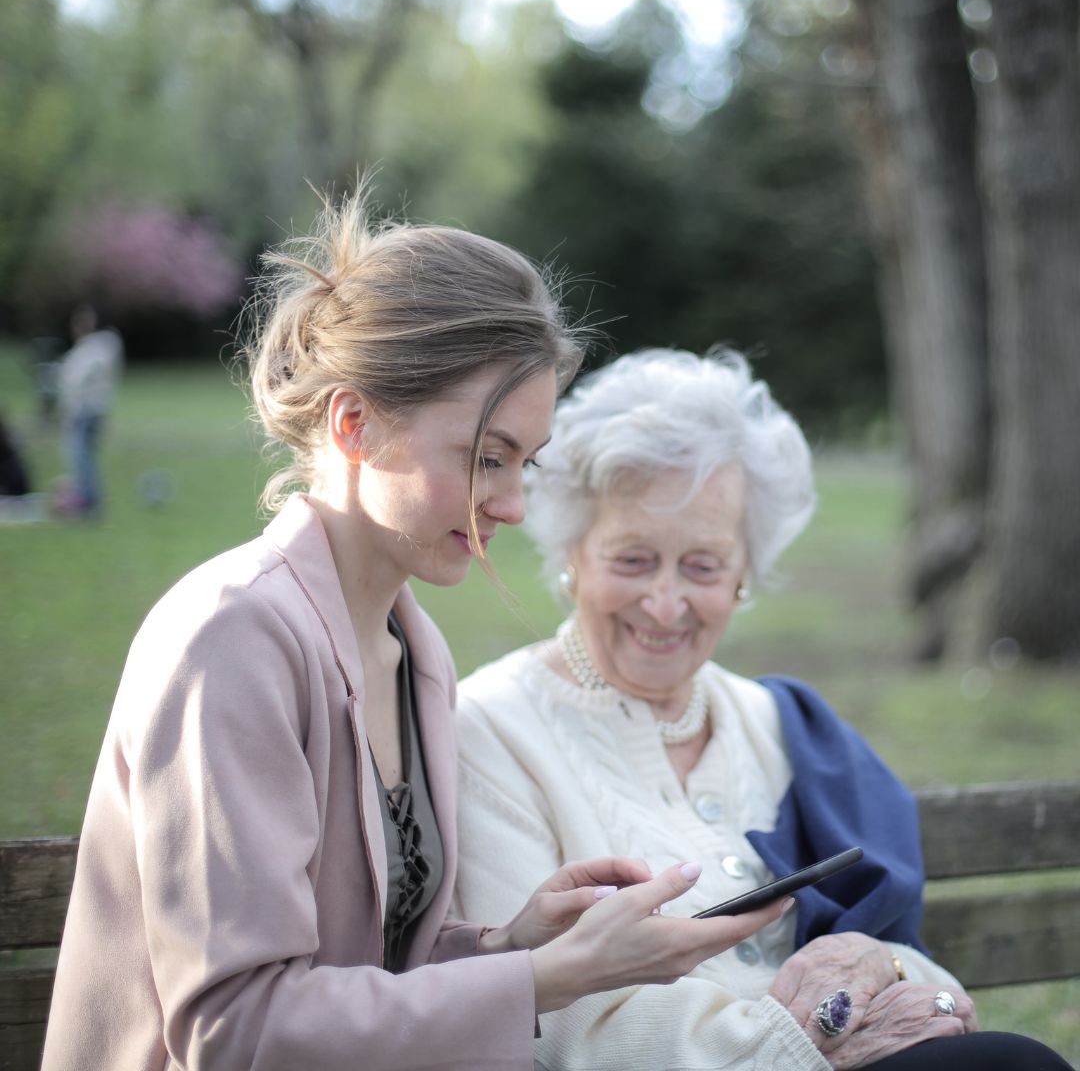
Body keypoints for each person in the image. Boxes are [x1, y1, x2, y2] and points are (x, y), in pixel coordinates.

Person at [40, 200, 790, 1071]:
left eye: (525, 463)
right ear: (354, 424)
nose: (511, 504)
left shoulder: (413, 649)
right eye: (484, 457)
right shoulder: (232, 638)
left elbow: (367, 969)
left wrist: (514, 944)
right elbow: (236, 1030)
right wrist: (542, 980)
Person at [452, 349, 1074, 1070]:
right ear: (573, 555)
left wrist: (885, 970)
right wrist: (804, 1040)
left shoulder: (784, 726)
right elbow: (563, 1025)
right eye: (631, 560)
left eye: (703, 566)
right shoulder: (490, 731)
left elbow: (920, 975)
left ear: (744, 575)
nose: (665, 602)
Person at [56, 302, 123, 516]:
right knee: (82, 458)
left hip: (87, 411)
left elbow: (77, 379)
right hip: (86, 411)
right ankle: (85, 499)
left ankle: (88, 502)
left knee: (81, 458)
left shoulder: (100, 346)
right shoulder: (90, 348)